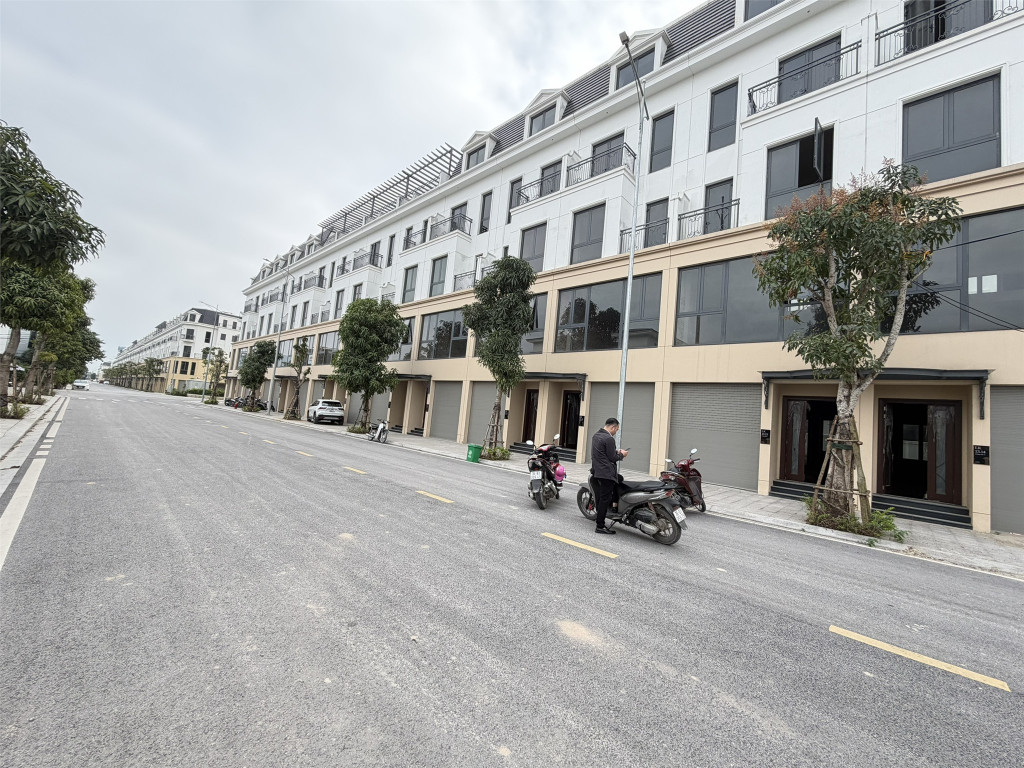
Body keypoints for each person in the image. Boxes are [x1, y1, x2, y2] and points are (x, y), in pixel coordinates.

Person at [591, 417, 628, 534]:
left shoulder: (596, 435)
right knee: (604, 499)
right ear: (613, 427)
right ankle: (600, 526)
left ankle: (615, 505)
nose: (616, 432)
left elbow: (602, 452)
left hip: (597, 471)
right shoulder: (609, 438)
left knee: (619, 480)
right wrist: (622, 455)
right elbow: (612, 458)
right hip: (606, 473)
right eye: (616, 429)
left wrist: (616, 451)